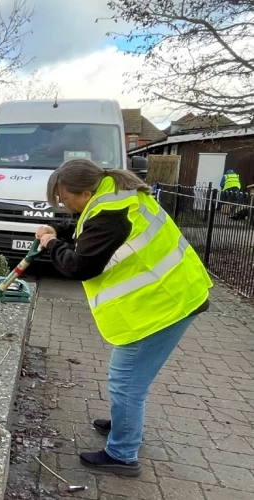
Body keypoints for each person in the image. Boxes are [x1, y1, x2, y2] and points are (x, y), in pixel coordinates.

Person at [36, 158, 212, 477]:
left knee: (127, 383)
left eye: (64, 197)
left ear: (86, 193)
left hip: (164, 306)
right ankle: (124, 426)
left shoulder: (110, 213)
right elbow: (90, 234)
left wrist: (51, 243)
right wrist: (60, 230)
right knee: (128, 380)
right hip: (174, 294)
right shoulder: (114, 196)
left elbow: (80, 266)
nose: (62, 203)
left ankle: (122, 453)